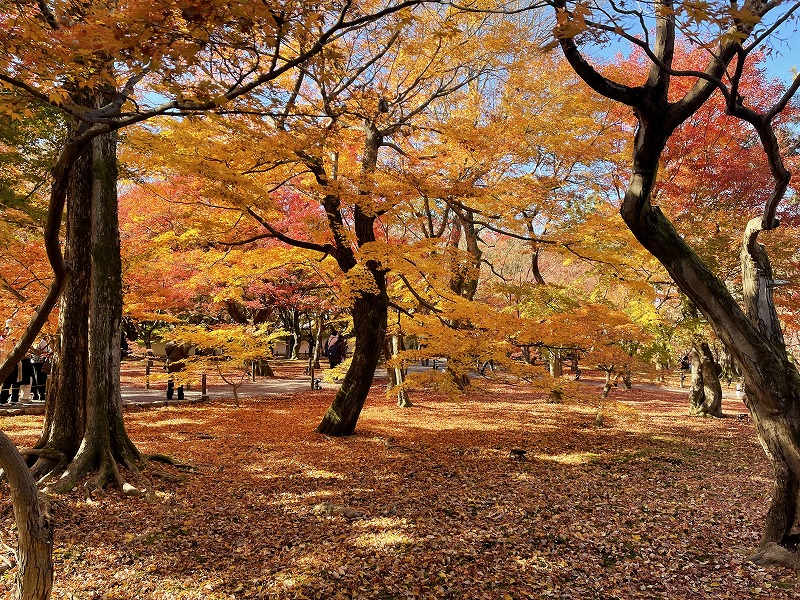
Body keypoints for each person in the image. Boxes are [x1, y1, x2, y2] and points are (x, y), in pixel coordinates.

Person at [0, 321, 21, 404]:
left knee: (15, 381)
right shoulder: (3, 340)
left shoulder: (14, 340)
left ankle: (14, 399)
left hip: (15, 363)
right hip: (6, 363)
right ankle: (3, 400)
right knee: (6, 382)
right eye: (7, 328)